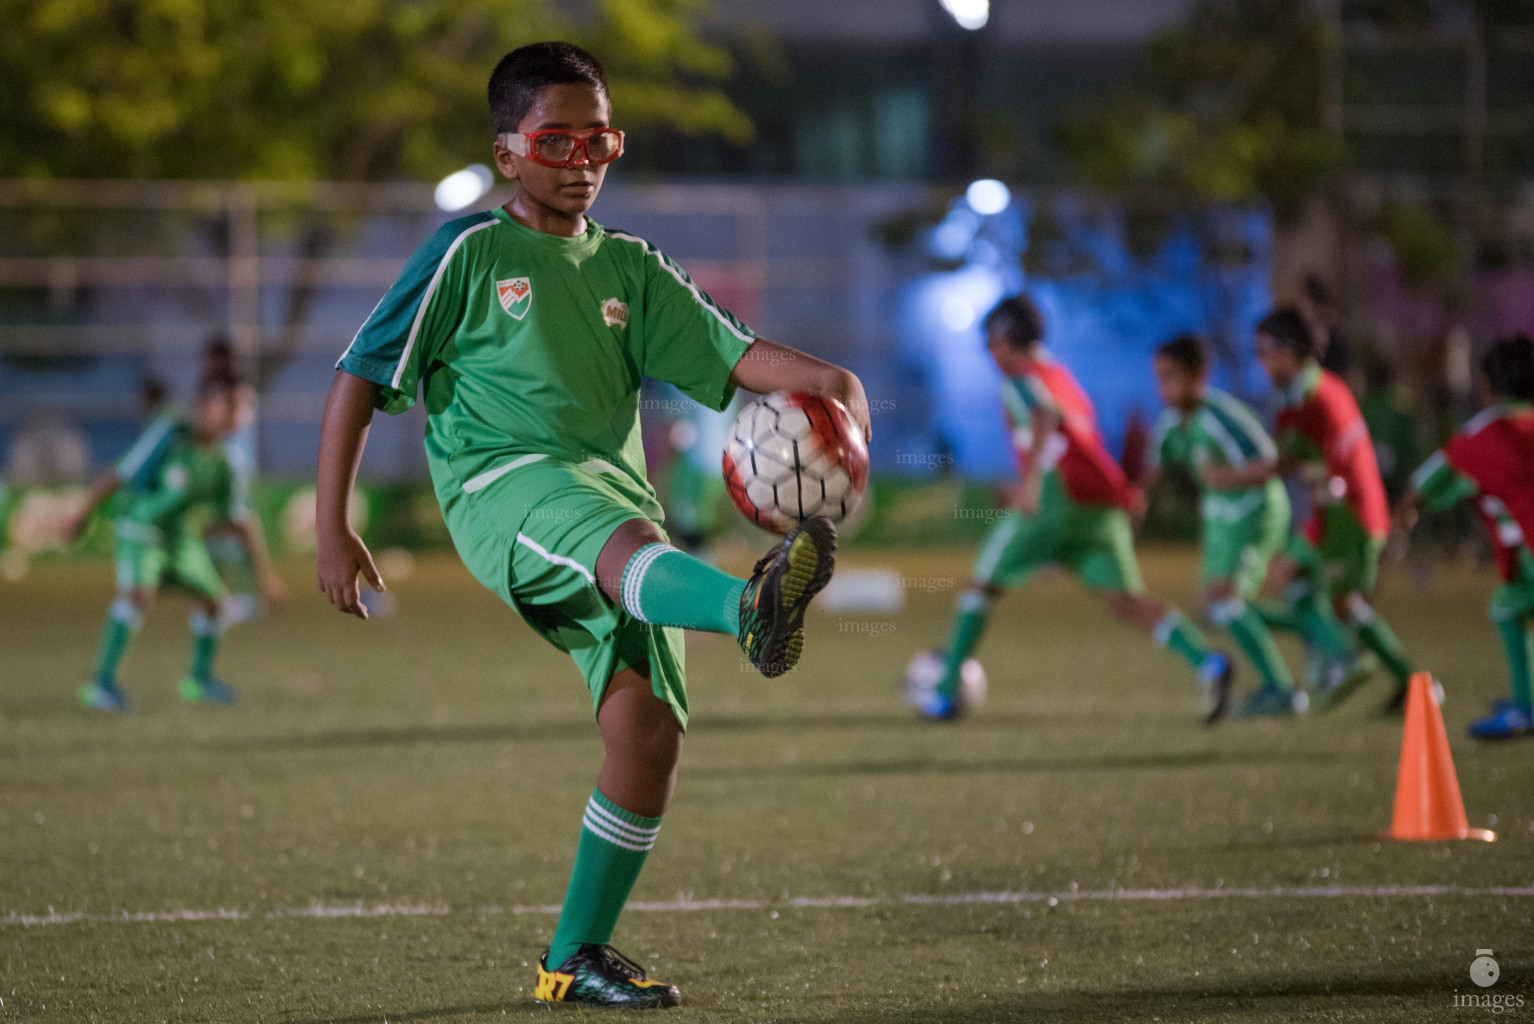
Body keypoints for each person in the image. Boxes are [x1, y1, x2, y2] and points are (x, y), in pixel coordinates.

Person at [314, 42, 869, 1010]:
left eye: (599, 140)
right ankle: (748, 608)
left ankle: (571, 958)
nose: (581, 161)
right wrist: (333, 524)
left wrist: (826, 382)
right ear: (507, 153)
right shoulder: (466, 254)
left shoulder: (628, 268)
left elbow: (731, 357)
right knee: (626, 551)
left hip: (616, 511)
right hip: (505, 492)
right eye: (556, 140)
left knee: (647, 734)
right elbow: (360, 374)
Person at [912, 296, 1233, 724]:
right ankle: (1207, 662)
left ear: (1006, 338)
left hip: (1053, 503)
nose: (990, 353)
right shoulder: (1062, 377)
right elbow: (1072, 438)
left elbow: (1044, 415)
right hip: (1098, 508)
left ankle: (945, 690)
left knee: (978, 586)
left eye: (991, 343)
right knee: (1127, 602)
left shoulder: (1023, 381)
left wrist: (1028, 487)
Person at [68, 373, 283, 712]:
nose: (239, 415)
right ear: (207, 406)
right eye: (231, 404)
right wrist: (82, 514)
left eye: (245, 407)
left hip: (181, 538)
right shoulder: (170, 432)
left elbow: (237, 521)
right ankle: (100, 685)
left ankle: (198, 680)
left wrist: (264, 579)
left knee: (213, 600)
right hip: (141, 528)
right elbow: (120, 471)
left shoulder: (226, 463)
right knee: (137, 596)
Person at [1255, 308, 1415, 713]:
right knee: (1316, 592)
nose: (1262, 361)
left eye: (1266, 350)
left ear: (1290, 351)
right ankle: (1406, 682)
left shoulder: (1305, 399)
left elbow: (1284, 462)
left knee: (1302, 584)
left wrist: (1230, 476)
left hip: (1346, 515)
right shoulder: (1326, 385)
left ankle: (1343, 660)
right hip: (1346, 511)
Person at [1145, 335, 1300, 717]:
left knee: (1225, 600)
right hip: (1219, 521)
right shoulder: (1170, 424)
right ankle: (1314, 626)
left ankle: (1281, 690)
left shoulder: (1222, 417)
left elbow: (1270, 464)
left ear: (1199, 375)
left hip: (1254, 511)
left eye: (1172, 376)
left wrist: (1225, 477)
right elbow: (1152, 472)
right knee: (1211, 609)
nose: (1164, 386)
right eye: (1159, 377)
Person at [1396, 335, 1534, 739]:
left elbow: (1430, 478)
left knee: (1508, 607)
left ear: (1488, 385)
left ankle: (1524, 708)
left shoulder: (1487, 430)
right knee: (1511, 603)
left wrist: (1405, 512)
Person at [199, 337, 284, 624]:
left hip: (233, 463)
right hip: (213, 462)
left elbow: (237, 421)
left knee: (238, 524)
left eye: (214, 358)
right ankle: (223, 595)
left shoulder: (236, 385)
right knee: (218, 528)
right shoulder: (207, 385)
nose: (210, 364)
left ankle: (258, 590)